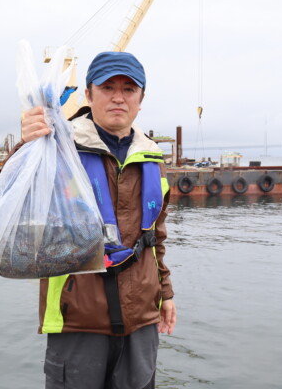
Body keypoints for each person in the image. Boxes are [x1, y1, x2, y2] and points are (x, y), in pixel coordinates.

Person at [20, 51, 176, 389]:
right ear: (88, 95)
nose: (118, 97)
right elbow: (14, 200)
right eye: (107, 87)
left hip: (141, 318)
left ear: (141, 99)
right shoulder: (55, 146)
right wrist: (25, 144)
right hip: (78, 317)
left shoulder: (153, 158)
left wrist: (166, 293)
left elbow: (156, 238)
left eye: (129, 89)